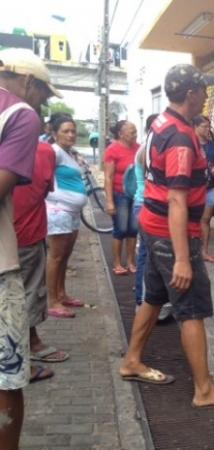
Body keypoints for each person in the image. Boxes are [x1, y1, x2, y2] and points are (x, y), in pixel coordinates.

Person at [119, 64, 214, 408]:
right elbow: (176, 199)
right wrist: (184, 259)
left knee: (154, 297)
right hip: (173, 236)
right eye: (204, 89)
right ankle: (205, 390)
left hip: (153, 226)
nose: (207, 94)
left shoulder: (162, 123)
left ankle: (132, 360)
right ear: (190, 94)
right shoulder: (180, 138)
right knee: (191, 310)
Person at [0, 47, 59, 450]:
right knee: (6, 375)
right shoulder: (20, 114)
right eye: (42, 93)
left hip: (26, 235)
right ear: (27, 82)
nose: (41, 102)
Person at [13, 141, 70, 384]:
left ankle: (29, 345)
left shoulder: (43, 151)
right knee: (22, 297)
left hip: (22, 233)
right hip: (24, 235)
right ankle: (18, 362)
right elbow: (43, 189)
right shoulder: (41, 151)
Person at [45, 115, 87, 319]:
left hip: (72, 213)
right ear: (54, 133)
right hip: (58, 211)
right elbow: (43, 177)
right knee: (56, 257)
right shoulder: (53, 152)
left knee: (65, 257)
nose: (71, 134)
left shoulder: (68, 153)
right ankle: (52, 301)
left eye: (73, 131)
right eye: (65, 131)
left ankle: (61, 294)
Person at [105, 120, 140, 275]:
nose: (135, 134)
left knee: (133, 230)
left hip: (136, 195)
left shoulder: (138, 148)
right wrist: (109, 201)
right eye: (131, 131)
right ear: (121, 134)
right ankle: (117, 263)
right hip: (120, 195)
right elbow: (108, 177)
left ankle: (131, 261)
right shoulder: (112, 150)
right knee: (120, 229)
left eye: (135, 131)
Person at [132, 113, 158, 311]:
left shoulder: (145, 148)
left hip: (142, 204)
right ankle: (142, 300)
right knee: (146, 255)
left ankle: (143, 299)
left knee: (145, 253)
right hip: (145, 205)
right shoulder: (147, 150)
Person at [193, 115, 214, 263]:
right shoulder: (190, 144)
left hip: (210, 187)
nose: (207, 129)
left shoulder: (212, 145)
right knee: (191, 219)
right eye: (204, 126)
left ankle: (204, 251)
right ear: (195, 127)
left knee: (205, 220)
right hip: (194, 189)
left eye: (208, 126)